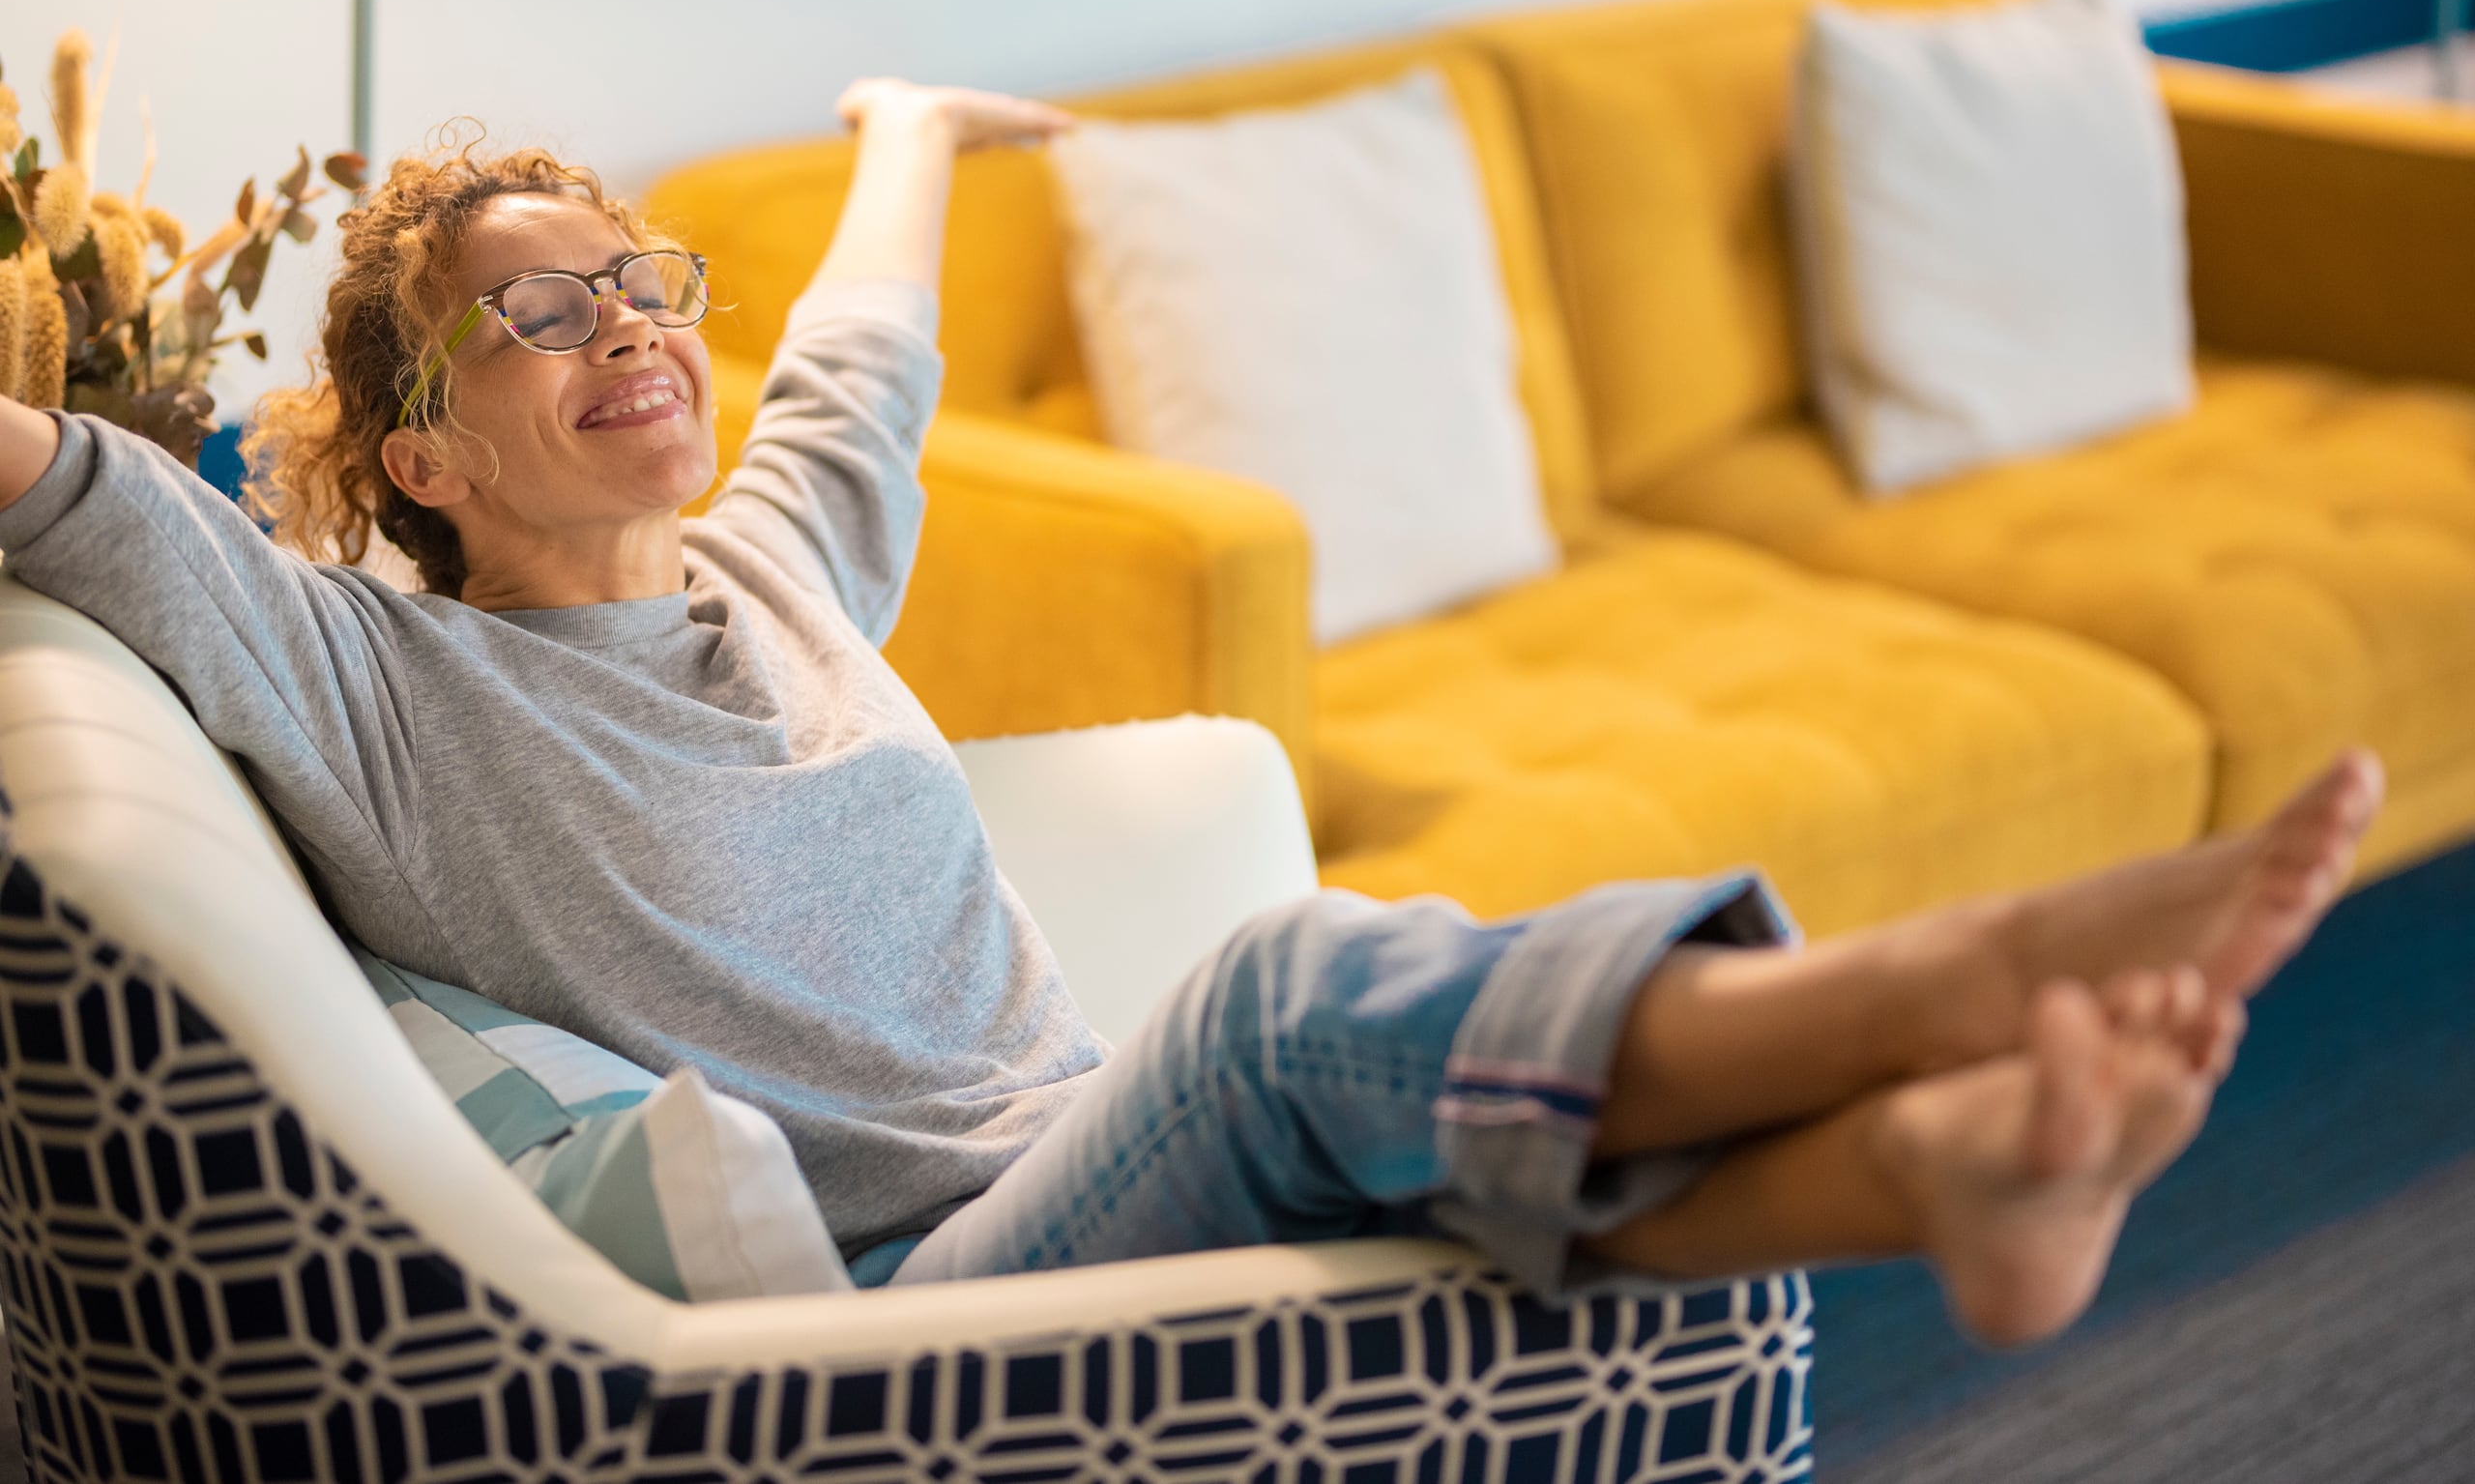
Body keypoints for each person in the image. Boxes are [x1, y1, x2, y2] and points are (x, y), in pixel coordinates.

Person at [0, 81, 2384, 1347]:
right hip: (921, 1298)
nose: (629, 322)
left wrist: (910, 131)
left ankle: (1935, 1172)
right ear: (418, 458)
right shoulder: (372, 677)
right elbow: (69, 486)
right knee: (1275, 1002)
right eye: (541, 314)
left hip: (1087, 1155)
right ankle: (1968, 971)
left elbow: (860, 359)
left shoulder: (775, 566)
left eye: (644, 282)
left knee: (1393, 1109)